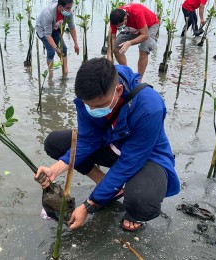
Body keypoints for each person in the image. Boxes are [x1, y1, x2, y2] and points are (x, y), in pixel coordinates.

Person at [35, 58, 180, 232]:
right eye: (88, 106)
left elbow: (129, 162)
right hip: (111, 144)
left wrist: (89, 205)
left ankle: (134, 212)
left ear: (118, 91)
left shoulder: (150, 106)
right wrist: (55, 170)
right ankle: (108, 185)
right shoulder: (89, 94)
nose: (92, 110)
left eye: (99, 106)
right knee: (55, 143)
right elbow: (87, 140)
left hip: (145, 156)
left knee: (141, 201)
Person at [107, 3, 159, 79]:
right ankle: (126, 72)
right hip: (133, 27)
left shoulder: (136, 13)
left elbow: (145, 35)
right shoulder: (115, 19)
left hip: (150, 26)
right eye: (117, 26)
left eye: (120, 25)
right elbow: (112, 38)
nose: (118, 27)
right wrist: (109, 56)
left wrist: (129, 43)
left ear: (125, 18)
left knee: (143, 49)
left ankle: (139, 79)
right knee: (116, 47)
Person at [35, 0, 80, 78]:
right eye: (68, 8)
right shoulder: (49, 13)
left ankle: (65, 73)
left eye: (70, 8)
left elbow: (72, 27)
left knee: (64, 49)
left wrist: (76, 43)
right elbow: (48, 35)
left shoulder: (69, 13)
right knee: (51, 51)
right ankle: (50, 76)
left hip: (55, 28)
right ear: (60, 7)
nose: (70, 11)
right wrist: (56, 48)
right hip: (43, 31)